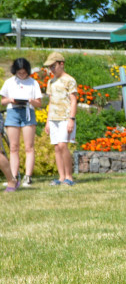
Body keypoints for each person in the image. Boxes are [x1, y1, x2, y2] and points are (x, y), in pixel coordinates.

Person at [1, 57, 43, 187]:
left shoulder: (33, 83)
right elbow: (2, 100)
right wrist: (10, 100)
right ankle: (13, 176)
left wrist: (31, 101)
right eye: (19, 73)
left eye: (24, 73)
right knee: (13, 147)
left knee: (29, 146)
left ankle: (28, 176)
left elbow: (39, 103)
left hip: (27, 112)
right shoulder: (9, 82)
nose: (22, 75)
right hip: (13, 112)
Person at [42, 52, 78, 186]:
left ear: (61, 64)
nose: (51, 69)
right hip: (54, 118)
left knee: (63, 145)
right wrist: (47, 121)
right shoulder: (50, 82)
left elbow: (73, 101)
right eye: (50, 67)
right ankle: (61, 176)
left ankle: (69, 176)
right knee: (57, 147)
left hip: (65, 117)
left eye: (53, 66)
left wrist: (71, 119)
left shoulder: (70, 80)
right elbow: (50, 102)